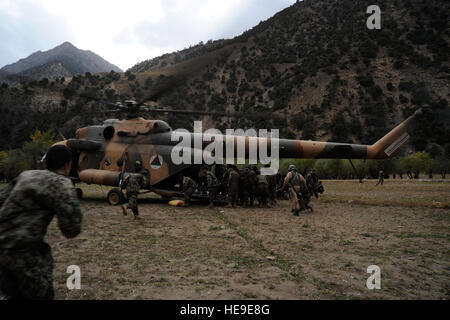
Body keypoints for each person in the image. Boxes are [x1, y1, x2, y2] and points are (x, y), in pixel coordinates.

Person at [0, 145, 82, 299]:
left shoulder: (26, 175)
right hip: (25, 252)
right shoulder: (62, 184)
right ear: (67, 165)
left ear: (46, 163)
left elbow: (1, 199)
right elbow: (71, 229)